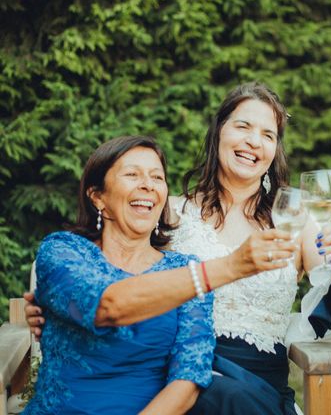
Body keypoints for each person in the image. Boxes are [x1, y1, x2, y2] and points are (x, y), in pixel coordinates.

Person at [26, 83, 331, 414]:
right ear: (219, 133)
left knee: (237, 399)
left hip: (257, 382)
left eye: (268, 135)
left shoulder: (294, 223)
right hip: (175, 374)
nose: (254, 141)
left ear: (275, 150)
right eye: (243, 127)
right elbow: (107, 261)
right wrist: (50, 307)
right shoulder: (172, 212)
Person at [23, 135, 294, 414]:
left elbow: (189, 376)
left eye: (157, 177)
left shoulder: (183, 268)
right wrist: (229, 267)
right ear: (97, 196)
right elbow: (107, 306)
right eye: (132, 174)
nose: (147, 185)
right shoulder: (62, 251)